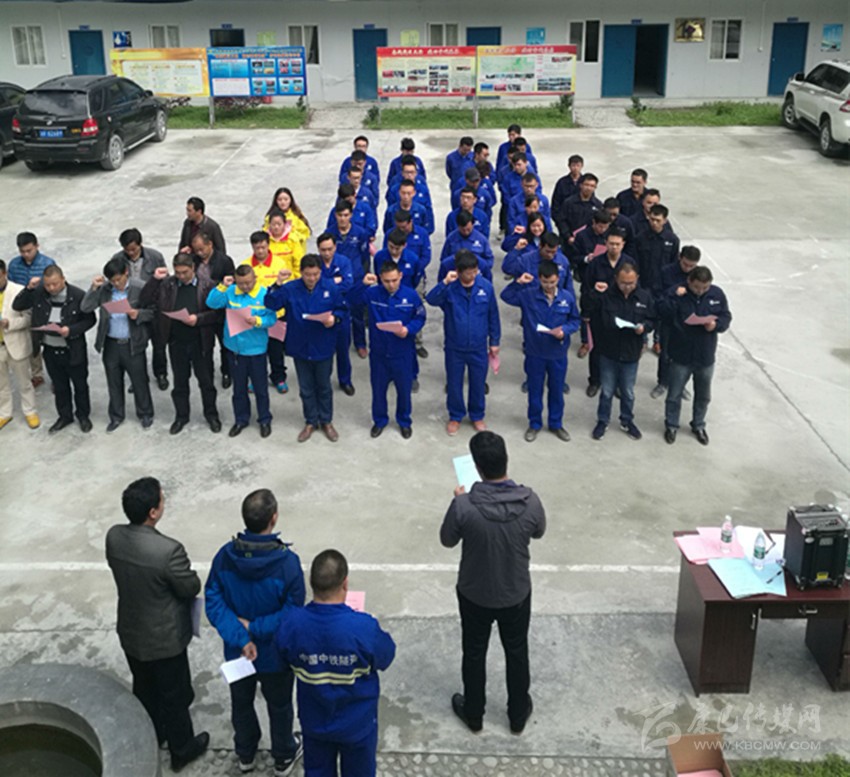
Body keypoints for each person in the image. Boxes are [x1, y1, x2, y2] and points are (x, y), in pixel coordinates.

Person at [440, 431, 546, 734]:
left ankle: (474, 714)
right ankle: (517, 715)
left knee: (474, 652)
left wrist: (457, 501)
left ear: (477, 467)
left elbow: (447, 539)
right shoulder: (530, 502)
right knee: (517, 651)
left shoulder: (464, 506)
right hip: (515, 592)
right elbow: (539, 531)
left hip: (475, 593)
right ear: (506, 461)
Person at [106, 477, 209, 772]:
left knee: (145, 688)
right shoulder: (168, 551)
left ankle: (153, 734)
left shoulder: (114, 536)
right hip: (164, 639)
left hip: (131, 630)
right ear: (153, 512)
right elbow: (189, 587)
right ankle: (182, 749)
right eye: (162, 499)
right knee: (175, 696)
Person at [205, 489, 306, 776]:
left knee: (241, 703)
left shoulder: (225, 557)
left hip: (238, 653)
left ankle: (246, 754)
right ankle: (283, 756)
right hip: (275, 654)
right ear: (274, 518)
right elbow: (292, 611)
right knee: (280, 706)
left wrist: (241, 636)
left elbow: (213, 599)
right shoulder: (287, 563)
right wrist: (256, 628)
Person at [276, 549, 395, 777]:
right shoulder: (363, 627)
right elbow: (386, 655)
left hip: (315, 721)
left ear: (311, 583)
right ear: (345, 583)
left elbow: (283, 659)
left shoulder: (291, 625)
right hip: (357, 724)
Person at [265, 255, 346, 443]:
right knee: (306, 387)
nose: (312, 278)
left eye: (316, 274)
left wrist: (334, 318)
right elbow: (271, 304)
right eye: (308, 274)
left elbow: (342, 309)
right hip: (300, 346)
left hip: (323, 345)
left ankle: (326, 421)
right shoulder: (290, 288)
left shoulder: (331, 288)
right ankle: (310, 421)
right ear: (301, 272)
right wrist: (277, 284)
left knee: (324, 386)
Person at [501, 261, 581, 441]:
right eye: (545, 282)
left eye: (552, 282)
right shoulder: (528, 295)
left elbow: (575, 321)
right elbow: (506, 296)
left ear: (558, 279)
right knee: (535, 390)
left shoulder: (567, 298)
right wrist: (518, 282)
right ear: (539, 279)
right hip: (535, 352)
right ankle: (534, 424)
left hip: (557, 353)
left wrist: (564, 331)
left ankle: (556, 424)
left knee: (557, 390)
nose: (549, 286)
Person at [141, 256, 221, 435]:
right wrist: (154, 280)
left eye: (185, 272)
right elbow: (145, 299)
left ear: (193, 267)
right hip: (177, 343)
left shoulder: (208, 285)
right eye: (177, 272)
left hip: (200, 343)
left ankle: (211, 415)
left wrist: (198, 319)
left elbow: (217, 313)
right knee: (180, 384)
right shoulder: (167, 285)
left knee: (206, 383)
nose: (181, 276)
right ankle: (181, 416)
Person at [13, 265, 95, 434]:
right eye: (48, 285)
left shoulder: (77, 295)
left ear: (63, 279)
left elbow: (90, 320)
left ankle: (83, 416)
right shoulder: (39, 293)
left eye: (55, 284)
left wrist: (71, 330)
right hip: (50, 350)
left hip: (73, 350)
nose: (51, 288)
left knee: (80, 385)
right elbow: (18, 305)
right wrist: (29, 289)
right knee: (60, 386)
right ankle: (65, 416)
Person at [426, 250, 500, 436]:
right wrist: (444, 282)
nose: (473, 275)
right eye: (468, 273)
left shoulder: (486, 287)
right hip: (455, 346)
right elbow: (431, 299)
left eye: (475, 271)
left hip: (478, 346)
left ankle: (477, 415)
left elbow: (493, 315)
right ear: (458, 272)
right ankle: (455, 416)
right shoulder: (450, 288)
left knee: (478, 382)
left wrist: (494, 341)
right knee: (454, 383)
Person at [350, 262, 425, 439]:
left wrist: (408, 329)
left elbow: (420, 317)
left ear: (400, 276)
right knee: (378, 390)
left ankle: (404, 421)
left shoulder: (411, 295)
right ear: (380, 279)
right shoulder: (372, 294)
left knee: (404, 390)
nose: (391, 285)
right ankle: (380, 420)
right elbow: (351, 301)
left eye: (394, 280)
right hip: (379, 353)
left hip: (403, 352)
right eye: (386, 281)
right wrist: (362, 284)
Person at [582, 262, 655, 441]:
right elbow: (586, 308)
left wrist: (644, 327)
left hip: (631, 353)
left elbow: (652, 320)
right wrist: (594, 293)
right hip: (608, 351)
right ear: (616, 279)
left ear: (637, 279)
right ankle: (603, 421)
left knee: (628, 392)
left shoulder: (644, 297)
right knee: (607, 391)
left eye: (631, 283)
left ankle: (627, 420)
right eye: (623, 283)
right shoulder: (606, 295)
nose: (627, 287)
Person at [81, 257, 154, 432]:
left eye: (118, 279)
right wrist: (93, 288)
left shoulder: (140, 287)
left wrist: (138, 314)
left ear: (126, 273)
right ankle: (116, 416)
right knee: (113, 382)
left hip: (132, 343)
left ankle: (145, 413)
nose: (116, 284)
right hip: (111, 343)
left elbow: (154, 311)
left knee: (139, 381)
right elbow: (85, 307)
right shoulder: (105, 290)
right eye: (112, 280)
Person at [661, 266, 732, 446]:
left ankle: (698, 424)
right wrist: (674, 297)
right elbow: (662, 312)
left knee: (703, 395)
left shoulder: (717, 295)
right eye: (697, 287)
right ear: (689, 281)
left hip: (705, 355)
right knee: (674, 394)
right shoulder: (678, 292)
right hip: (681, 354)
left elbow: (726, 316)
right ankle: (671, 425)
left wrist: (716, 325)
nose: (700, 291)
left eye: (705, 287)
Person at [206, 265, 278, 438]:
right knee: (239, 389)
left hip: (256, 350)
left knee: (260, 389)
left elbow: (272, 318)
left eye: (248, 283)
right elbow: (211, 303)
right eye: (241, 283)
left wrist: (258, 321)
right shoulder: (231, 291)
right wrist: (222, 286)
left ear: (255, 279)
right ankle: (241, 419)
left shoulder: (264, 294)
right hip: (235, 350)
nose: (245, 286)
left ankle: (264, 419)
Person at [112, 228, 169, 390]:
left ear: (140, 244)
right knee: (136, 347)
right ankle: (138, 377)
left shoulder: (155, 257)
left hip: (153, 308)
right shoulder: (118, 259)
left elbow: (165, 282)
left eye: (134, 249)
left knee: (159, 344)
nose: (131, 253)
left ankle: (161, 374)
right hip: (132, 309)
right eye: (127, 250)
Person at [579, 228, 633, 396]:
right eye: (611, 243)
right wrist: (587, 310)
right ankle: (595, 381)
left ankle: (616, 383)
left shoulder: (629, 264)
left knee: (618, 350)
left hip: (621, 314)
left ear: (623, 244)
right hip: (599, 313)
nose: (614, 247)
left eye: (617, 244)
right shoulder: (596, 263)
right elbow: (586, 289)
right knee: (597, 350)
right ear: (605, 243)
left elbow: (635, 288)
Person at [241, 230, 290, 394]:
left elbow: (285, 289)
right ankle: (256, 379)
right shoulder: (246, 266)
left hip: (276, 315)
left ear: (268, 245)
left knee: (276, 350)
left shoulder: (280, 264)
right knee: (257, 350)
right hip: (255, 318)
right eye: (257, 248)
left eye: (263, 247)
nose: (260, 251)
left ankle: (279, 377)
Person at [651, 245, 701, 399]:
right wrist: (674, 291)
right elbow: (657, 294)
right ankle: (662, 382)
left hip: (687, 321)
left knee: (684, 355)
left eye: (692, 266)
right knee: (665, 353)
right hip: (669, 319)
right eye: (685, 264)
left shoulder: (697, 275)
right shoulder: (666, 271)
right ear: (680, 257)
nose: (688, 268)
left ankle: (680, 385)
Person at [7, 231, 55, 388]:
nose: (26, 254)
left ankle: (56, 377)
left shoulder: (47, 264)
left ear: (37, 246)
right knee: (30, 343)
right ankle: (37, 373)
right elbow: (11, 287)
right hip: (24, 308)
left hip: (44, 308)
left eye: (29, 250)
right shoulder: (14, 265)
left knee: (50, 343)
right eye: (23, 251)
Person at [191, 231, 236, 388]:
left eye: (202, 249)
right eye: (196, 250)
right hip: (202, 309)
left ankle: (227, 372)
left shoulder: (224, 261)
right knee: (205, 346)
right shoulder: (194, 260)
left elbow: (232, 284)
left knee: (225, 345)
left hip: (221, 311)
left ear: (210, 244)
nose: (199, 253)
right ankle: (207, 374)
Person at [0, 259, 39, 430]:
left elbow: (29, 319)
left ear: (5, 273)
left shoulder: (18, 291)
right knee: (1, 384)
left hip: (16, 343)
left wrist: (9, 324)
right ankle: (4, 413)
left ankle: (30, 411)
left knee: (24, 382)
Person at [316, 232, 356, 396]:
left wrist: (325, 285)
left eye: (330, 249)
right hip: (321, 313)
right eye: (323, 250)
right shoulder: (315, 263)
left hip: (341, 311)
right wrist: (334, 281)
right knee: (322, 351)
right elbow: (313, 285)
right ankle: (322, 382)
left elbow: (348, 284)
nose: (327, 253)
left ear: (335, 247)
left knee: (343, 350)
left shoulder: (344, 262)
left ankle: (345, 380)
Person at [439, 212, 494, 282]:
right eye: (463, 230)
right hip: (456, 277)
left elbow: (489, 260)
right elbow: (444, 259)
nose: (466, 232)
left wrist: (479, 269)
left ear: (472, 225)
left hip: (476, 277)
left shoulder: (482, 240)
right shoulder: (451, 239)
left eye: (468, 229)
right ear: (458, 226)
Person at [555, 173, 602, 251]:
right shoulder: (569, 203)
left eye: (592, 186)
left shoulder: (598, 205)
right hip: (570, 242)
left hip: (589, 244)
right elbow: (561, 221)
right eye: (586, 185)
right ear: (581, 185)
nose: (589, 188)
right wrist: (568, 236)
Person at [263, 187, 312, 260]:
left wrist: (292, 236)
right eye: (280, 200)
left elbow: (305, 232)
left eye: (286, 199)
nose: (283, 202)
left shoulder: (297, 216)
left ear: (290, 200)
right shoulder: (269, 218)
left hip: (294, 252)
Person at [550, 154, 584, 220]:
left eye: (578, 165)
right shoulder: (562, 182)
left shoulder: (585, 182)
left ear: (582, 166)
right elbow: (556, 202)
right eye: (573, 165)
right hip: (564, 218)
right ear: (569, 166)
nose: (575, 168)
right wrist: (558, 219)